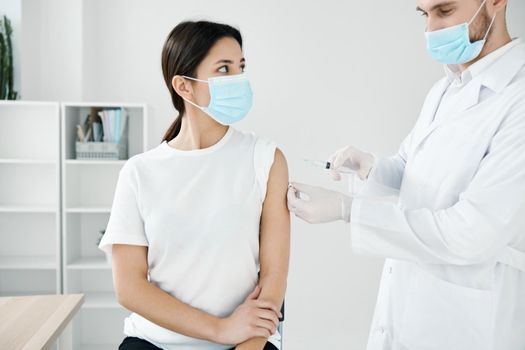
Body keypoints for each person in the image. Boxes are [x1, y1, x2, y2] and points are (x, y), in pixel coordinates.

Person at [288, 1, 525, 349]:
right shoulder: (447, 88)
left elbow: (474, 232)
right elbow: (414, 169)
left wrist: (348, 210)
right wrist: (371, 166)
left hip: (468, 321)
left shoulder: (517, 99)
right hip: (408, 304)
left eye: (444, 11)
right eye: (423, 14)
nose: (430, 30)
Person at [99, 20, 290, 350]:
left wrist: (245, 340)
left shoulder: (266, 159)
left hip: (245, 343)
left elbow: (273, 277)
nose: (238, 80)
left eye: (241, 67)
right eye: (224, 69)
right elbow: (129, 287)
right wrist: (219, 329)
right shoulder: (139, 173)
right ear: (184, 86)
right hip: (153, 343)